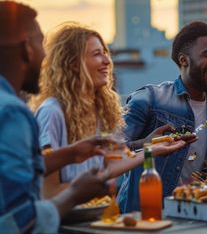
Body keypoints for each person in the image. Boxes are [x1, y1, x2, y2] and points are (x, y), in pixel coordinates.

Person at [29, 22, 189, 198]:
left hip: (96, 218)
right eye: (97, 54)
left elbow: (112, 165)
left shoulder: (100, 111)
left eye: (106, 53)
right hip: (65, 222)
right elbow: (48, 192)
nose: (107, 61)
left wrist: (152, 148)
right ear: (73, 63)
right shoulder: (52, 112)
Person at [0, 1, 110, 234]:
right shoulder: (12, 112)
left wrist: (70, 154)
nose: (46, 58)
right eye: (41, 44)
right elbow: (14, 227)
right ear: (27, 49)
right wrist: (74, 195)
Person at [118, 21, 207, 212]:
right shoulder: (148, 99)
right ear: (184, 60)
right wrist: (146, 145)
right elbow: (112, 154)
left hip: (205, 217)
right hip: (147, 217)